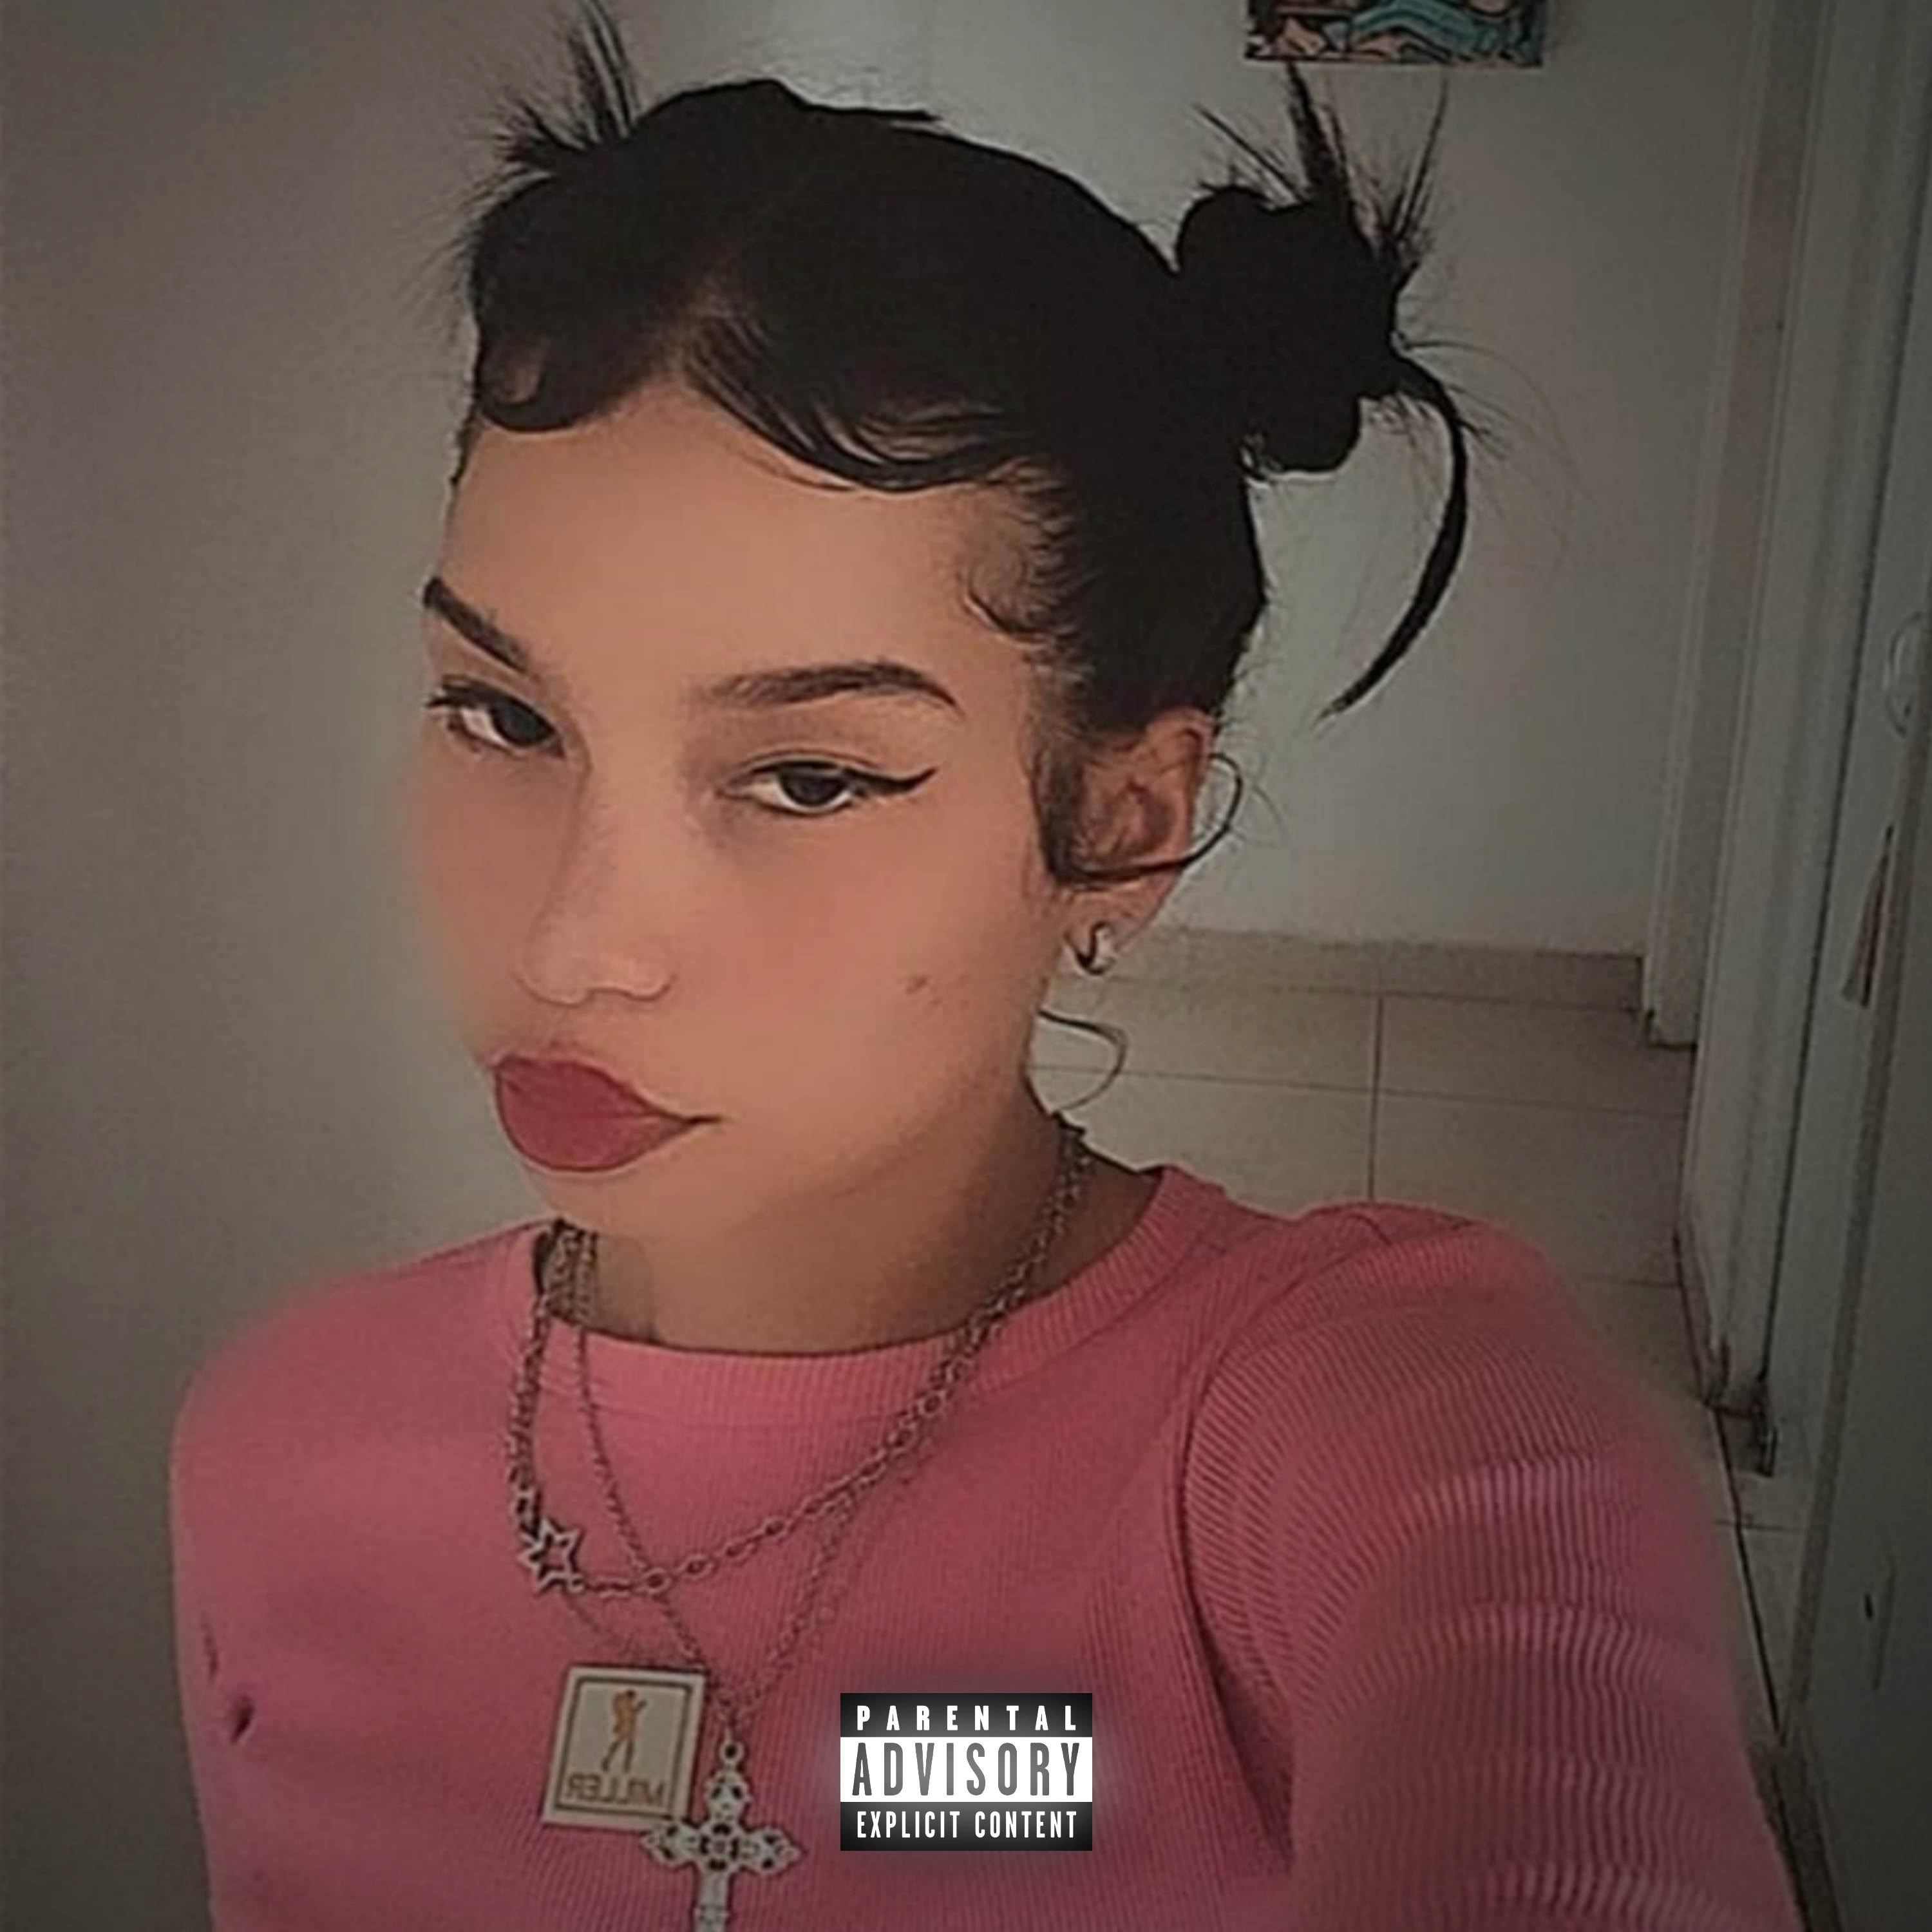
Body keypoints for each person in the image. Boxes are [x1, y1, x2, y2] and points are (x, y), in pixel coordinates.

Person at [166, 5, 1806, 1927]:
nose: (571, 945)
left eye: (807, 776)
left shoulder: (1357, 1440)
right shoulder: (279, 1451)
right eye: (504, 717)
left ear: (1120, 819)